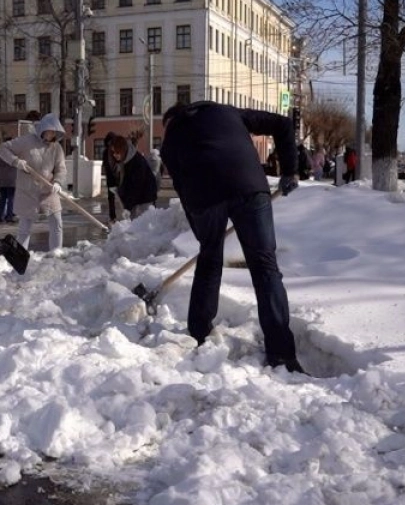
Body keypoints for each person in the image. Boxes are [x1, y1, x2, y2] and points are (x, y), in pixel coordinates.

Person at [159, 100, 303, 373]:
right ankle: (282, 355)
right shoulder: (227, 112)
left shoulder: (171, 141)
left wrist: (205, 238)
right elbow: (283, 124)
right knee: (265, 266)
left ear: (172, 120)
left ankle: (199, 336)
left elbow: (183, 191)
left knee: (209, 260)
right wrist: (289, 170)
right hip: (248, 185)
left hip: (204, 196)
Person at [0, 113, 67, 251]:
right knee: (25, 226)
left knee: (57, 223)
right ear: (43, 129)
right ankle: (21, 255)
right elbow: (2, 149)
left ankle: (57, 252)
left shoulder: (56, 148)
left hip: (49, 191)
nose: (51, 135)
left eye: (54, 132)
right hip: (28, 191)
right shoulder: (26, 141)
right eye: (49, 131)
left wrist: (58, 182)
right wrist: (16, 162)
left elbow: (61, 169)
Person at [105, 132, 159, 219]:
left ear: (122, 149)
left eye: (117, 152)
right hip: (137, 201)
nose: (115, 155)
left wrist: (128, 207)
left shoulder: (136, 162)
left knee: (143, 227)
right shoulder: (125, 161)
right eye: (113, 152)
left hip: (145, 200)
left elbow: (136, 186)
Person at [0, 151, 17, 222]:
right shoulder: (14, 153)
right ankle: (9, 216)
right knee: (11, 198)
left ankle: (1, 216)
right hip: (11, 178)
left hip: (1, 178)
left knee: (2, 197)